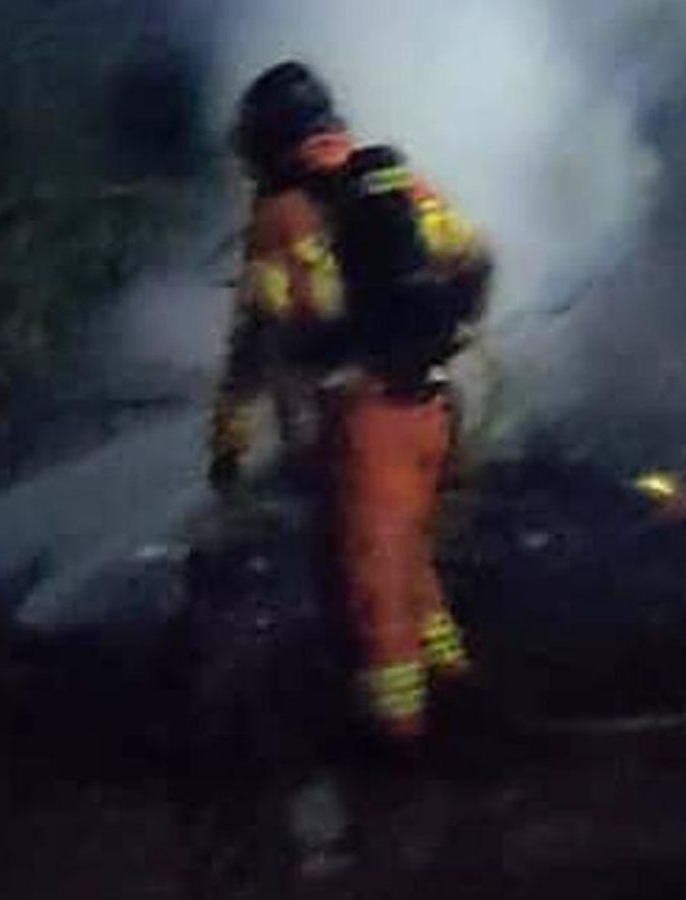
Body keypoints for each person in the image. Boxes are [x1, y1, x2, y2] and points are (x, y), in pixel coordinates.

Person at [210, 61, 494, 745]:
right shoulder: (402, 186)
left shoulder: (282, 216)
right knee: (408, 560)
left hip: (365, 421)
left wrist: (230, 440)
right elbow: (475, 257)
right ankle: (456, 688)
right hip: (434, 406)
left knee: (372, 595)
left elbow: (257, 341)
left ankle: (399, 746)